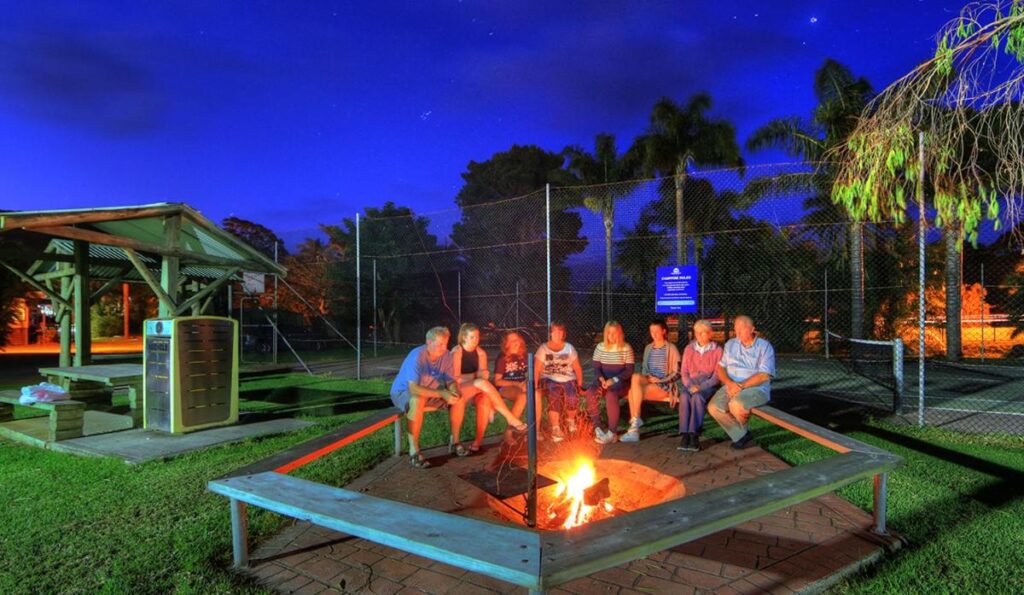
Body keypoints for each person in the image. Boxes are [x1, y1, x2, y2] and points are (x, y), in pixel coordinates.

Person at [450, 323, 527, 456]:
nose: (476, 340)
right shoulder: (457, 352)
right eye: (472, 337)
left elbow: (484, 376)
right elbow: (455, 379)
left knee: (484, 399)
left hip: (475, 389)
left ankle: (477, 442)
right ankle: (510, 418)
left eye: (477, 337)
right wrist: (475, 378)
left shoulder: (481, 353)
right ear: (463, 338)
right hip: (457, 388)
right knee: (481, 382)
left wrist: (475, 379)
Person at [389, 326, 460, 468]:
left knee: (459, 399)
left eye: (445, 344)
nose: (443, 347)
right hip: (403, 393)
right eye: (439, 344)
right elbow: (413, 388)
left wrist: (453, 391)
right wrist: (441, 393)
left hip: (428, 392)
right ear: (429, 342)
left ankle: (455, 442)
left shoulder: (446, 355)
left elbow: (450, 380)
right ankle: (414, 451)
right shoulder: (417, 356)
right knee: (417, 399)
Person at [707, 315, 775, 449]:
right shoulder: (731, 344)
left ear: (752, 329)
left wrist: (740, 386)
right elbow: (720, 367)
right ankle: (741, 434)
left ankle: (736, 433)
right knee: (713, 407)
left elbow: (764, 375)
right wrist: (729, 383)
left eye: (742, 329)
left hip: (756, 388)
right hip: (731, 385)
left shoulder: (764, 346)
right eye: (735, 329)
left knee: (736, 404)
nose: (737, 332)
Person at [623, 319, 681, 443]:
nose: (653, 334)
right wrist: (648, 376)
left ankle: (634, 428)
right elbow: (644, 369)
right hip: (649, 382)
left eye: (656, 331)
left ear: (664, 331)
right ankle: (636, 422)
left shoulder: (671, 348)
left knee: (632, 391)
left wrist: (660, 379)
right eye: (651, 331)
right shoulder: (649, 348)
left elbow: (678, 373)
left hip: (664, 385)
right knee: (635, 377)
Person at [677, 319, 723, 451]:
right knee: (685, 397)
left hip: (707, 386)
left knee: (697, 398)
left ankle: (694, 434)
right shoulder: (689, 348)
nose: (700, 335)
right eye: (697, 333)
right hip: (690, 384)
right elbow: (684, 371)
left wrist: (701, 387)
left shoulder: (717, 350)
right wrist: (689, 384)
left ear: (710, 334)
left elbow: (717, 375)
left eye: (703, 333)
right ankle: (684, 434)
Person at [586, 321, 635, 444]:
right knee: (591, 391)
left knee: (611, 394)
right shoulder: (600, 347)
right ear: (605, 334)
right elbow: (596, 368)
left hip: (620, 381)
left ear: (620, 333)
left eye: (614, 333)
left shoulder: (626, 348)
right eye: (609, 333)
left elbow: (629, 370)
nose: (612, 336)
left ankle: (612, 432)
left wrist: (613, 380)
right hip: (603, 380)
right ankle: (598, 427)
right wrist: (602, 379)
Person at [534, 322, 584, 443]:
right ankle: (555, 428)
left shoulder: (569, 348)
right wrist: (535, 386)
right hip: (549, 378)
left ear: (564, 334)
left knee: (572, 394)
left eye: (560, 332)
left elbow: (577, 368)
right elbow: (536, 369)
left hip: (567, 378)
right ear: (550, 333)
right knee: (554, 392)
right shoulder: (543, 348)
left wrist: (580, 385)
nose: (557, 334)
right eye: (555, 331)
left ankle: (570, 420)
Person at [493, 331, 542, 433]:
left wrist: (528, 382)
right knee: (523, 396)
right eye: (513, 340)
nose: (516, 342)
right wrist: (516, 384)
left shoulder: (524, 356)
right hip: (506, 387)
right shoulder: (503, 358)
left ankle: (535, 431)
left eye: (517, 339)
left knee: (536, 394)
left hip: (521, 386)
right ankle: (508, 432)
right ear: (507, 344)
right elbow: (497, 381)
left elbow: (530, 375)